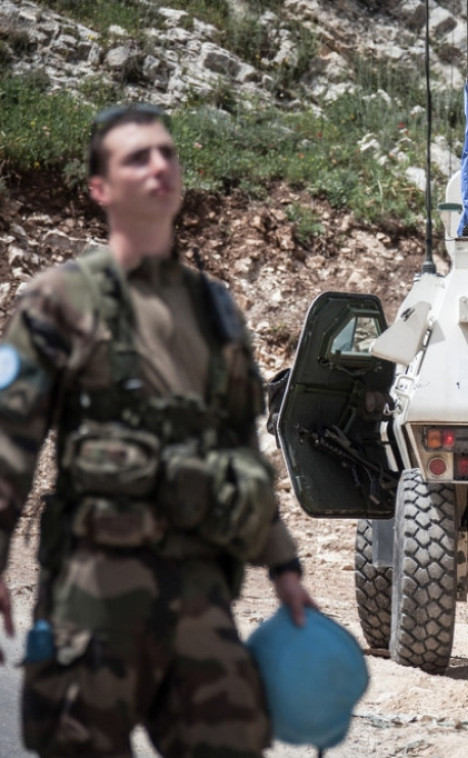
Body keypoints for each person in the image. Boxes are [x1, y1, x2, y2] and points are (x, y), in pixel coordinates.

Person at [0, 103, 316, 757]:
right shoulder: (57, 300)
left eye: (167, 152)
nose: (159, 165)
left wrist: (283, 565)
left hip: (199, 595)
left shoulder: (214, 307)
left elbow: (240, 450)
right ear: (100, 189)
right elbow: (10, 440)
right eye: (136, 157)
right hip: (93, 596)